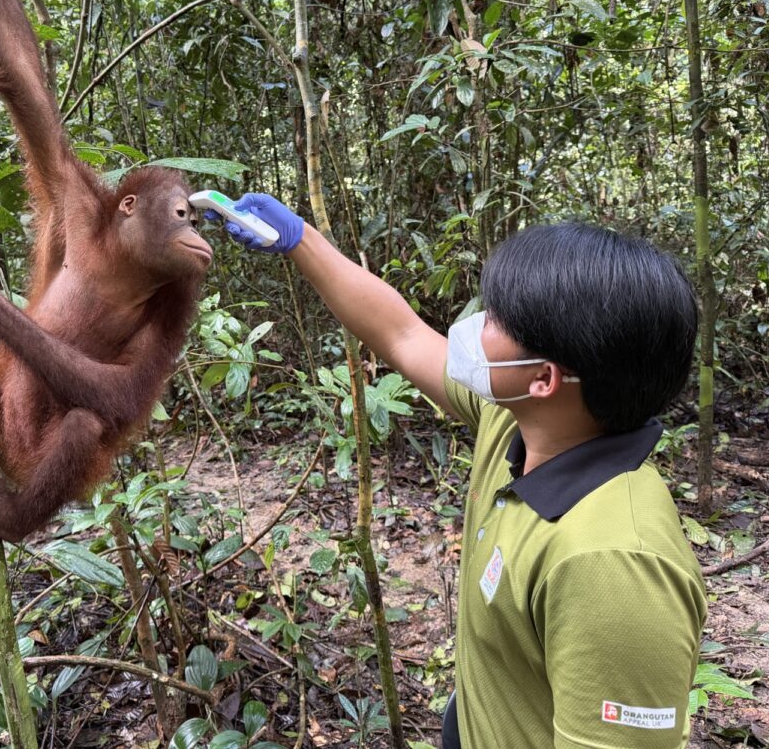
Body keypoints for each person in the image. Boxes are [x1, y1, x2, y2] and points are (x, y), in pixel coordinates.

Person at [213, 194, 708, 749]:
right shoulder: (520, 425)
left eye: (498, 319)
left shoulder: (614, 565)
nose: (476, 325)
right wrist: (300, 239)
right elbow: (402, 335)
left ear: (543, 378)